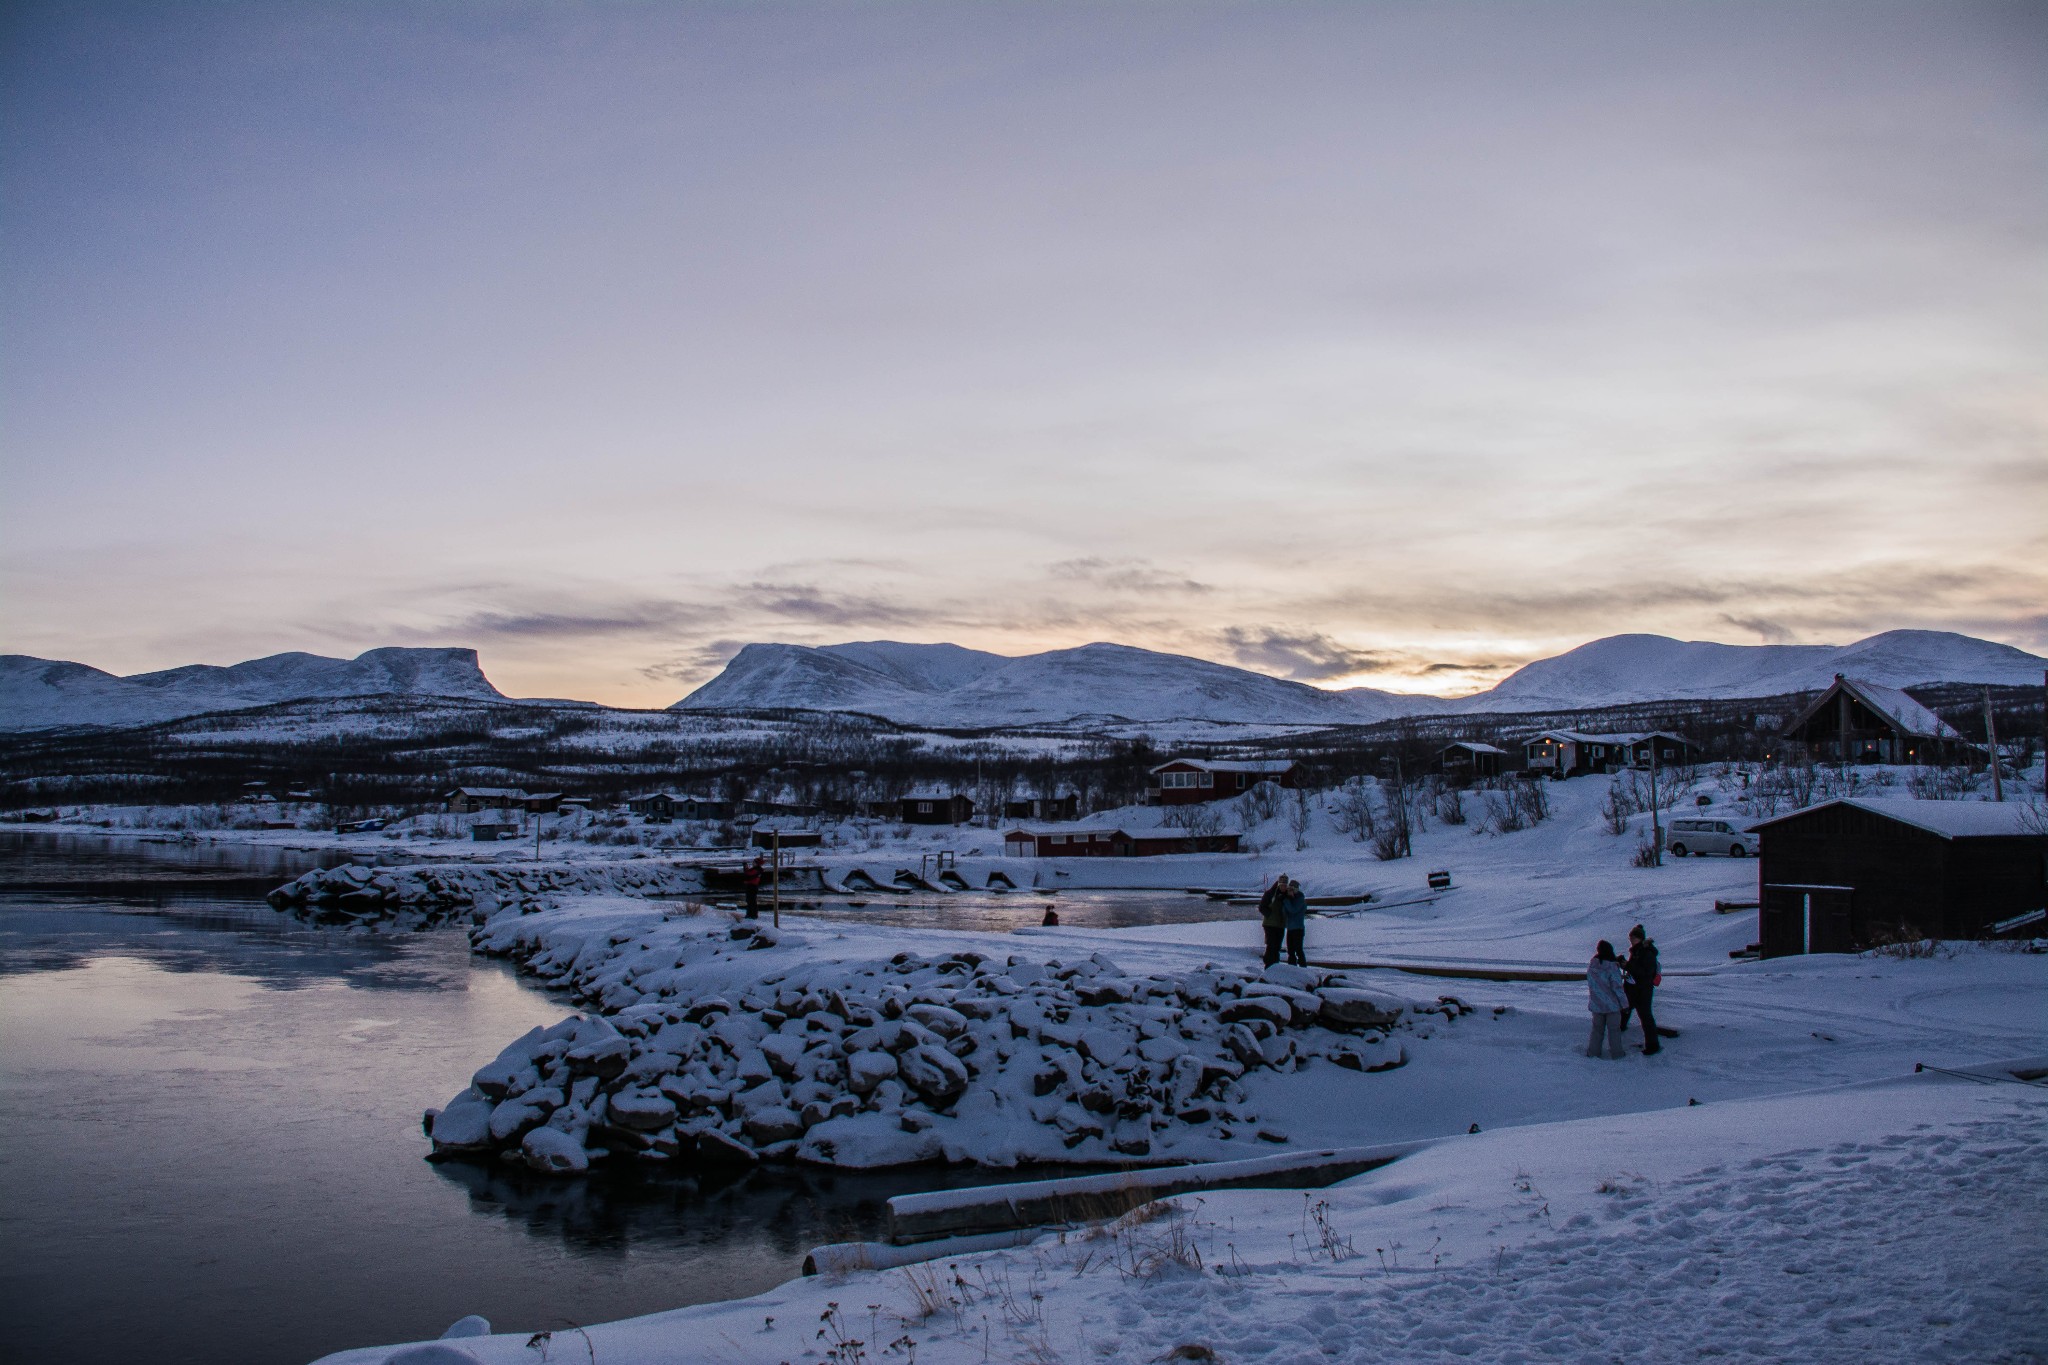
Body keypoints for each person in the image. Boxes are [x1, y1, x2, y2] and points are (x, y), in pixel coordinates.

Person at [1621, 923, 1661, 1054]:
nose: (1631, 940)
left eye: (1633, 937)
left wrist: (1627, 965)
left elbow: (1644, 972)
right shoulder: (1637, 951)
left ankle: (1653, 1046)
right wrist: (1625, 965)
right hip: (1634, 988)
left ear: (1640, 938)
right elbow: (1636, 969)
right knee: (1626, 1009)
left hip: (1643, 989)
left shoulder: (1646, 953)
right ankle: (1620, 1030)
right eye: (1630, 938)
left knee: (1645, 1016)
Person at [1585, 940, 1627, 1060]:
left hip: (1596, 1004)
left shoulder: (1592, 966)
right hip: (1612, 1005)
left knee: (1597, 1030)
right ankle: (1617, 1054)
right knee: (1614, 1031)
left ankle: (1593, 1052)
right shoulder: (1612, 967)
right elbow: (1617, 988)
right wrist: (1624, 1004)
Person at [1258, 874, 1288, 967]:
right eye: (1282, 885)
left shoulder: (1287, 895)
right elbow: (1262, 907)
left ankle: (1275, 965)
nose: (1283, 887)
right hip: (1270, 924)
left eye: (1285, 885)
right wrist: (1269, 915)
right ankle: (1268, 965)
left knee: (1277, 946)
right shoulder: (1270, 893)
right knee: (1271, 945)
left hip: (1280, 924)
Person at [1281, 877, 1310, 967]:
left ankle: (1303, 968)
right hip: (1290, 928)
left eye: (1291, 889)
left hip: (1298, 929)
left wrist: (1286, 900)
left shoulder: (1300, 900)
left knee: (1298, 950)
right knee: (1290, 951)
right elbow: (1284, 912)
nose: (1290, 891)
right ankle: (1292, 969)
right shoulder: (1290, 899)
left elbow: (1293, 910)